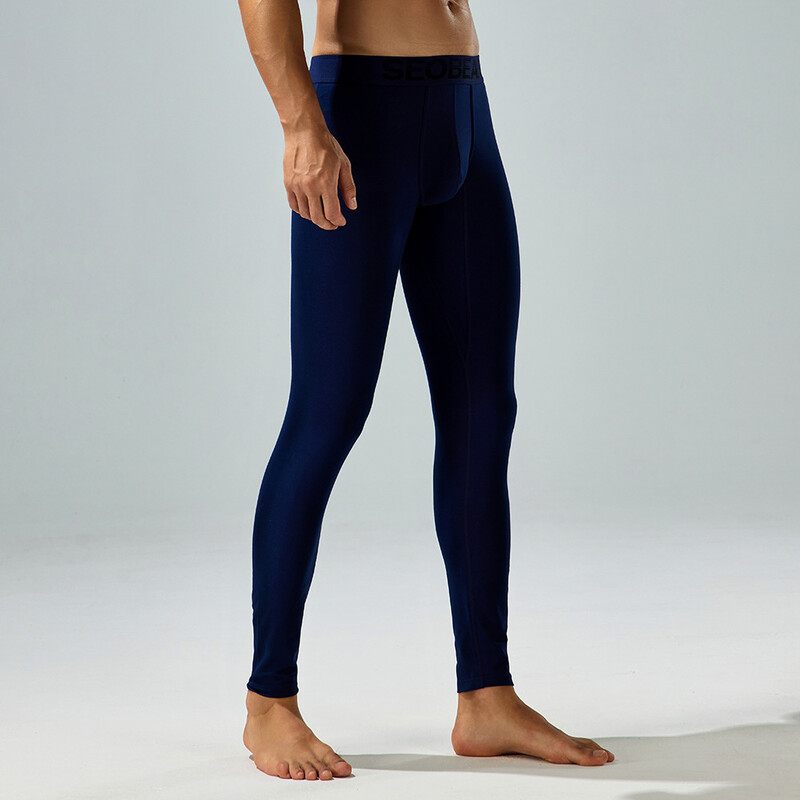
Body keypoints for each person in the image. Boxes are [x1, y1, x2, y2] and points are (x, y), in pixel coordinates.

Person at [236, 0, 616, 781]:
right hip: (359, 114)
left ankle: (487, 695)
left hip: (464, 108)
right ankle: (269, 702)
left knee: (483, 411)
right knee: (328, 412)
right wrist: (300, 125)